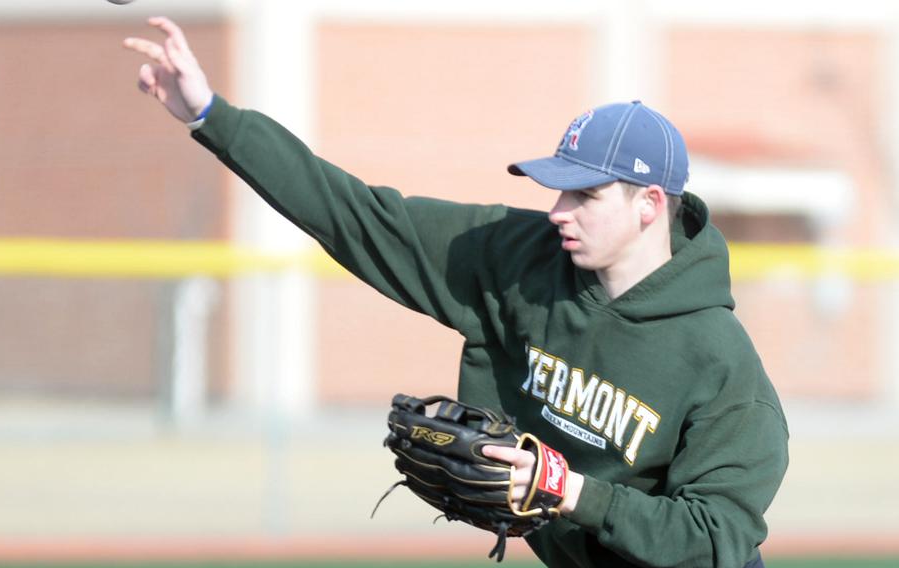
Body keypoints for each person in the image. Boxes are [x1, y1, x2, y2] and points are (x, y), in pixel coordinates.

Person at [124, 17, 788, 568]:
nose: (559, 209)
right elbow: (361, 218)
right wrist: (211, 115)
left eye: (585, 194)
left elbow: (715, 538)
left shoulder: (720, 362)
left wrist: (568, 491)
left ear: (649, 205)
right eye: (558, 187)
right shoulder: (523, 258)